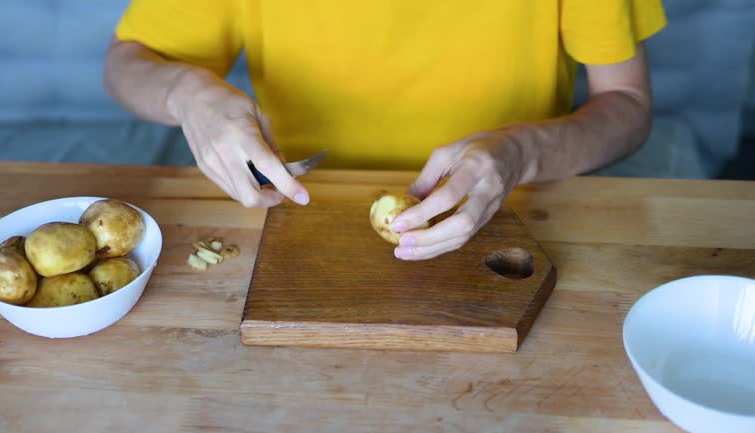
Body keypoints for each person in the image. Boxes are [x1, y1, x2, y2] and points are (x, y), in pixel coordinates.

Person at [104, 1, 665, 260]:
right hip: (300, 222)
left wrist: (521, 152)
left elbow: (628, 105)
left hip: (520, 212)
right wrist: (188, 96)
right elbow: (126, 64)